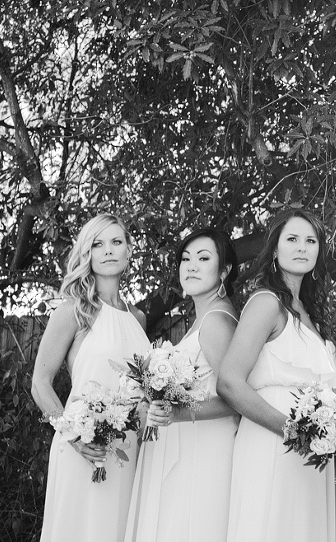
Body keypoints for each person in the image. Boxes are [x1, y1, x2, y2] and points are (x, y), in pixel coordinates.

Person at [218, 208, 336, 542]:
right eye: (292, 239)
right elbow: (229, 382)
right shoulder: (266, 303)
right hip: (273, 439)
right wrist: (291, 431)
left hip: (310, 448)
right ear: (275, 249)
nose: (302, 247)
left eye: (310, 240)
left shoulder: (309, 311)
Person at [33, 214, 151, 542]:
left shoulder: (137, 318)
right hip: (83, 449)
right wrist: (74, 436)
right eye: (98, 244)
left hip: (129, 450)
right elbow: (40, 382)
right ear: (88, 253)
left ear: (129, 251)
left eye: (116, 242)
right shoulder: (73, 311)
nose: (108, 250)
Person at [124, 228, 240, 542]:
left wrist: (177, 414)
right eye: (185, 259)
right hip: (190, 449)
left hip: (205, 453)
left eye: (203, 258)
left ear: (224, 271)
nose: (190, 266)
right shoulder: (205, 319)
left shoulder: (217, 321)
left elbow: (237, 398)